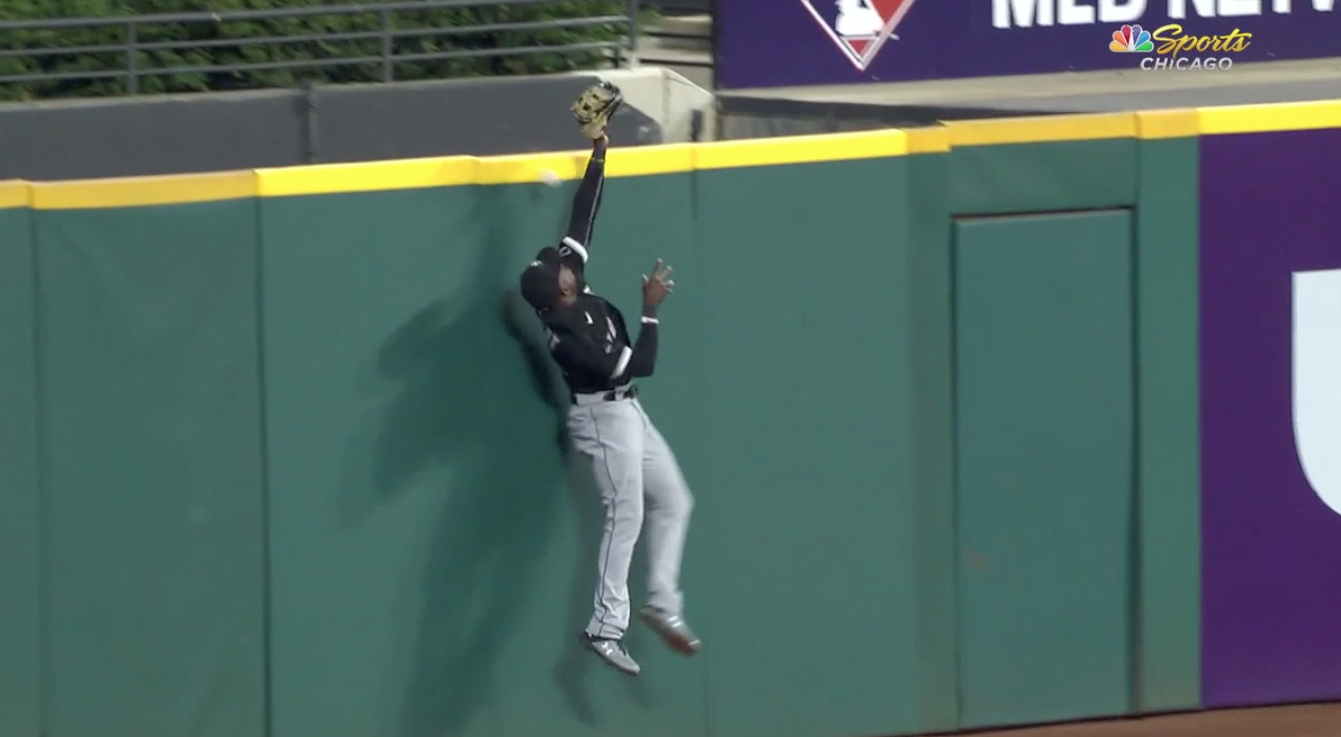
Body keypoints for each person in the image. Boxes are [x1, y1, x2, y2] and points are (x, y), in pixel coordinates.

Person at [518, 132, 699, 677]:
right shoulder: (570, 338)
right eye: (560, 267)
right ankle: (604, 627)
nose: (566, 260)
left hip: (627, 411)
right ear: (562, 292)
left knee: (675, 501)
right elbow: (639, 364)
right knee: (627, 515)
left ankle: (663, 603)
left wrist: (599, 150)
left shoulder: (567, 292)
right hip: (602, 417)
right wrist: (650, 312)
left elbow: (582, 217)